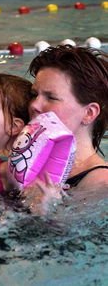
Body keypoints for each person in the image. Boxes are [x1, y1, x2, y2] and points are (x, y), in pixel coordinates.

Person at [23, 45, 108, 212]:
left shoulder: (101, 182)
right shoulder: (26, 163)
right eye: (34, 95)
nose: (34, 105)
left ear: (89, 113)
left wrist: (49, 213)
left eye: (51, 97)